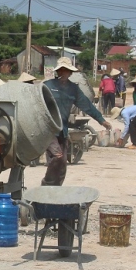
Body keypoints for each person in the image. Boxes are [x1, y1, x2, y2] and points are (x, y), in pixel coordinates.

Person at [41, 57, 112, 186]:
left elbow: (87, 105)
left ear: (70, 73)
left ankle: (56, 188)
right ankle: (46, 185)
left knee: (62, 162)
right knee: (57, 156)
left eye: (66, 70)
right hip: (49, 129)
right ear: (57, 72)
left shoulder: (73, 89)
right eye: (61, 70)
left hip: (62, 129)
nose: (63, 73)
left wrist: (101, 120)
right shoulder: (47, 86)